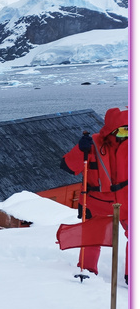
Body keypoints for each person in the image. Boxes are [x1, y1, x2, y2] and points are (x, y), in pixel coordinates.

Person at [60, 107, 128, 278]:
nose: (126, 136)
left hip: (128, 203)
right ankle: (87, 272)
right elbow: (68, 166)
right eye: (122, 130)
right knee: (92, 238)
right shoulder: (92, 145)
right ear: (111, 130)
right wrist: (79, 149)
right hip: (97, 203)